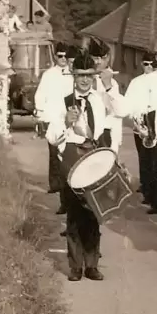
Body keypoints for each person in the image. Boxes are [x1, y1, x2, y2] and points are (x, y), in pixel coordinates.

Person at [45, 48, 106, 282]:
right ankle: (75, 267)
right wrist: (64, 122)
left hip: (93, 159)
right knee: (74, 216)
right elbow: (52, 137)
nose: (85, 80)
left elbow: (101, 133)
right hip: (70, 159)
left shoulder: (98, 101)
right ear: (74, 76)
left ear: (93, 77)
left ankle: (92, 264)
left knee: (93, 214)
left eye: (89, 75)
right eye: (80, 75)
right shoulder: (63, 101)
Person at [125, 42, 157, 215]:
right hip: (152, 127)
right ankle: (156, 201)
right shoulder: (149, 80)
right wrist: (143, 124)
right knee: (155, 166)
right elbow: (143, 103)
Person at [34, 41, 74, 214]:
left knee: (69, 159)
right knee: (54, 154)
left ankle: (68, 196)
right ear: (55, 57)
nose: (63, 59)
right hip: (54, 119)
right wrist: (42, 115)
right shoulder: (49, 74)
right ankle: (56, 185)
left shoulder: (74, 74)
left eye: (66, 56)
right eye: (60, 56)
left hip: (71, 120)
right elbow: (40, 94)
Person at [88, 37, 128, 152]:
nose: (99, 62)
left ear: (109, 58)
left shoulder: (113, 83)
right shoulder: (84, 81)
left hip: (108, 134)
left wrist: (108, 86)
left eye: (103, 58)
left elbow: (121, 111)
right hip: (87, 136)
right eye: (95, 58)